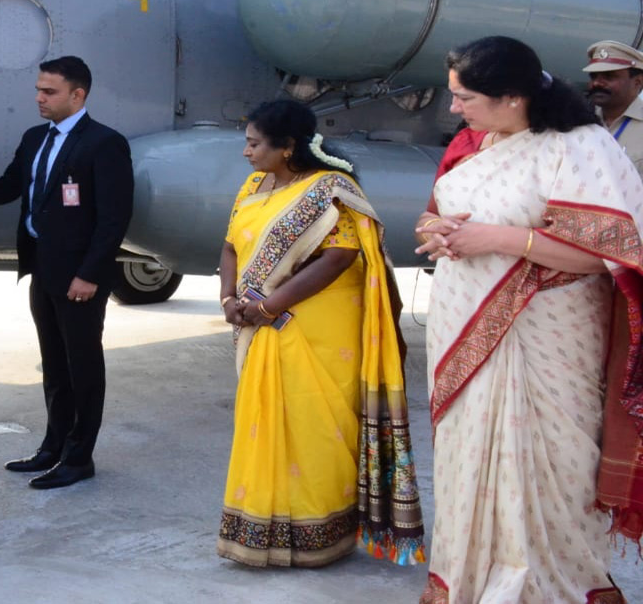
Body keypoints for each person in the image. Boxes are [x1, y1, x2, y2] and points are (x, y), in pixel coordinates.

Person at [414, 36, 643, 603]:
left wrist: (500, 238)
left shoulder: (580, 146)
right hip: (460, 327)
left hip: (547, 336)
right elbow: (435, 212)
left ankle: (552, 585)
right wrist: (435, 232)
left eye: (465, 97)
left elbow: (613, 252)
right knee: (467, 455)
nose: (453, 108)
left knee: (551, 464)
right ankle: (465, 579)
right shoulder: (475, 142)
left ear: (512, 97)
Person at [215, 99, 423, 568]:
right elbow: (230, 244)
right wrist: (229, 299)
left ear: (287, 147)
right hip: (261, 321)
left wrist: (269, 305)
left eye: (254, 144)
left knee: (317, 425)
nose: (246, 153)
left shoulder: (331, 190)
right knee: (265, 422)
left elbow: (340, 256)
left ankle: (320, 534)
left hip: (316, 326)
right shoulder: (253, 185)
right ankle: (260, 531)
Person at [0, 56, 133, 490]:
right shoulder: (36, 138)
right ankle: (52, 447)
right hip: (42, 269)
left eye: (49, 92)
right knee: (53, 365)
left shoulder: (104, 144)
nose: (39, 98)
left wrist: (89, 274)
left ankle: (79, 457)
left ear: (78, 95)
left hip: (80, 278)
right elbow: (7, 187)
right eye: (38, 89)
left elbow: (114, 217)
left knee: (82, 366)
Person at [584, 39, 643, 176]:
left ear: (637, 82)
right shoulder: (580, 121)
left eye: (609, 77)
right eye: (593, 77)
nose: (597, 83)